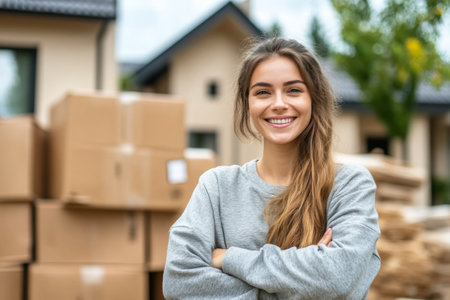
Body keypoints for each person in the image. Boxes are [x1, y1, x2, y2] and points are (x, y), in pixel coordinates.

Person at [163, 37, 380, 299]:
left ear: (314, 98)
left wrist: (230, 259)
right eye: (263, 92)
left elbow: (338, 277)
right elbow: (178, 283)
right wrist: (305, 284)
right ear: (247, 103)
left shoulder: (349, 185)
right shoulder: (217, 188)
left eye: (293, 90)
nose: (278, 103)